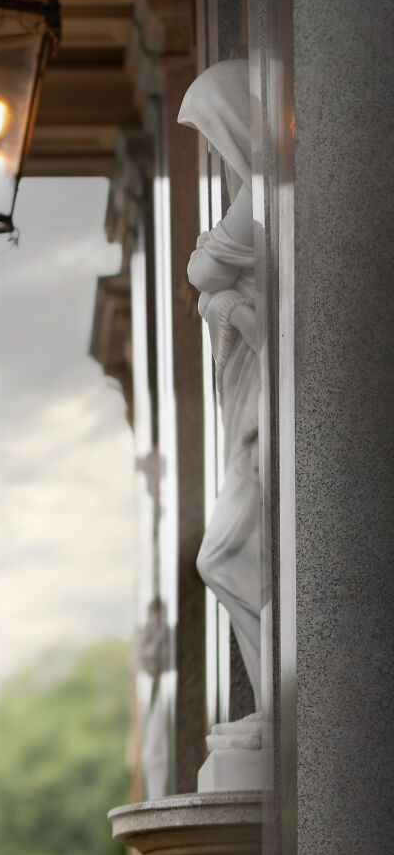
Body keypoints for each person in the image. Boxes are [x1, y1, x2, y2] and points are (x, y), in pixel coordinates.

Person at [179, 59, 261, 719]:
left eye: (212, 134)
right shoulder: (257, 200)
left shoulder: (260, 200)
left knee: (224, 556)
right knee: (229, 557)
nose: (213, 149)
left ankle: (278, 703)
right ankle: (272, 705)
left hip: (261, 399)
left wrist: (222, 299)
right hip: (250, 395)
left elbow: (204, 268)